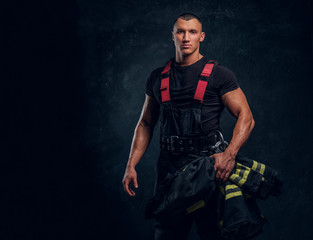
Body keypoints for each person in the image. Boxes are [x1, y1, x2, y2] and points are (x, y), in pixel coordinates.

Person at [122, 13, 256, 239]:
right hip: (169, 169)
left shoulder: (219, 74)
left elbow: (247, 116)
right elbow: (145, 123)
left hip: (208, 166)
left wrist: (230, 154)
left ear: (201, 36)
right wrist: (130, 165)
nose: (186, 37)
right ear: (172, 36)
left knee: (212, 232)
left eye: (192, 32)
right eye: (181, 31)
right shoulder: (157, 77)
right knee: (167, 232)